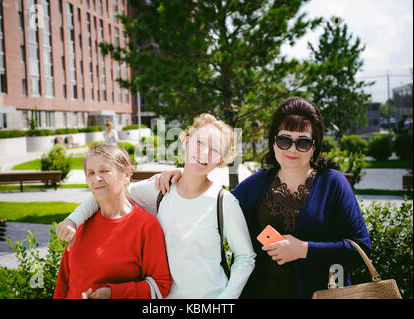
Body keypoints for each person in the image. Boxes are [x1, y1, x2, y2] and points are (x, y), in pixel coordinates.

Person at [155, 97, 371, 298]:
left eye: (302, 142)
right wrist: (184, 175)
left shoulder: (333, 183)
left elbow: (359, 249)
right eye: (285, 140)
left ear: (315, 146)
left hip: (318, 295)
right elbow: (214, 205)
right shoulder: (257, 184)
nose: (292, 149)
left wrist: (304, 249)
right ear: (273, 141)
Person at [56, 114, 256, 299]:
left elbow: (245, 257)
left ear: (221, 160)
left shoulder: (224, 202)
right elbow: (110, 192)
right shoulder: (160, 189)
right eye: (200, 142)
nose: (204, 152)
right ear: (186, 142)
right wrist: (74, 219)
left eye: (214, 149)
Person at [53, 144, 171, 299]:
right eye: (91, 173)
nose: (96, 178)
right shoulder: (79, 222)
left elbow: (160, 286)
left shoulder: (146, 226)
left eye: (104, 171)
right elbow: (63, 282)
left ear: (126, 174)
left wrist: (113, 294)